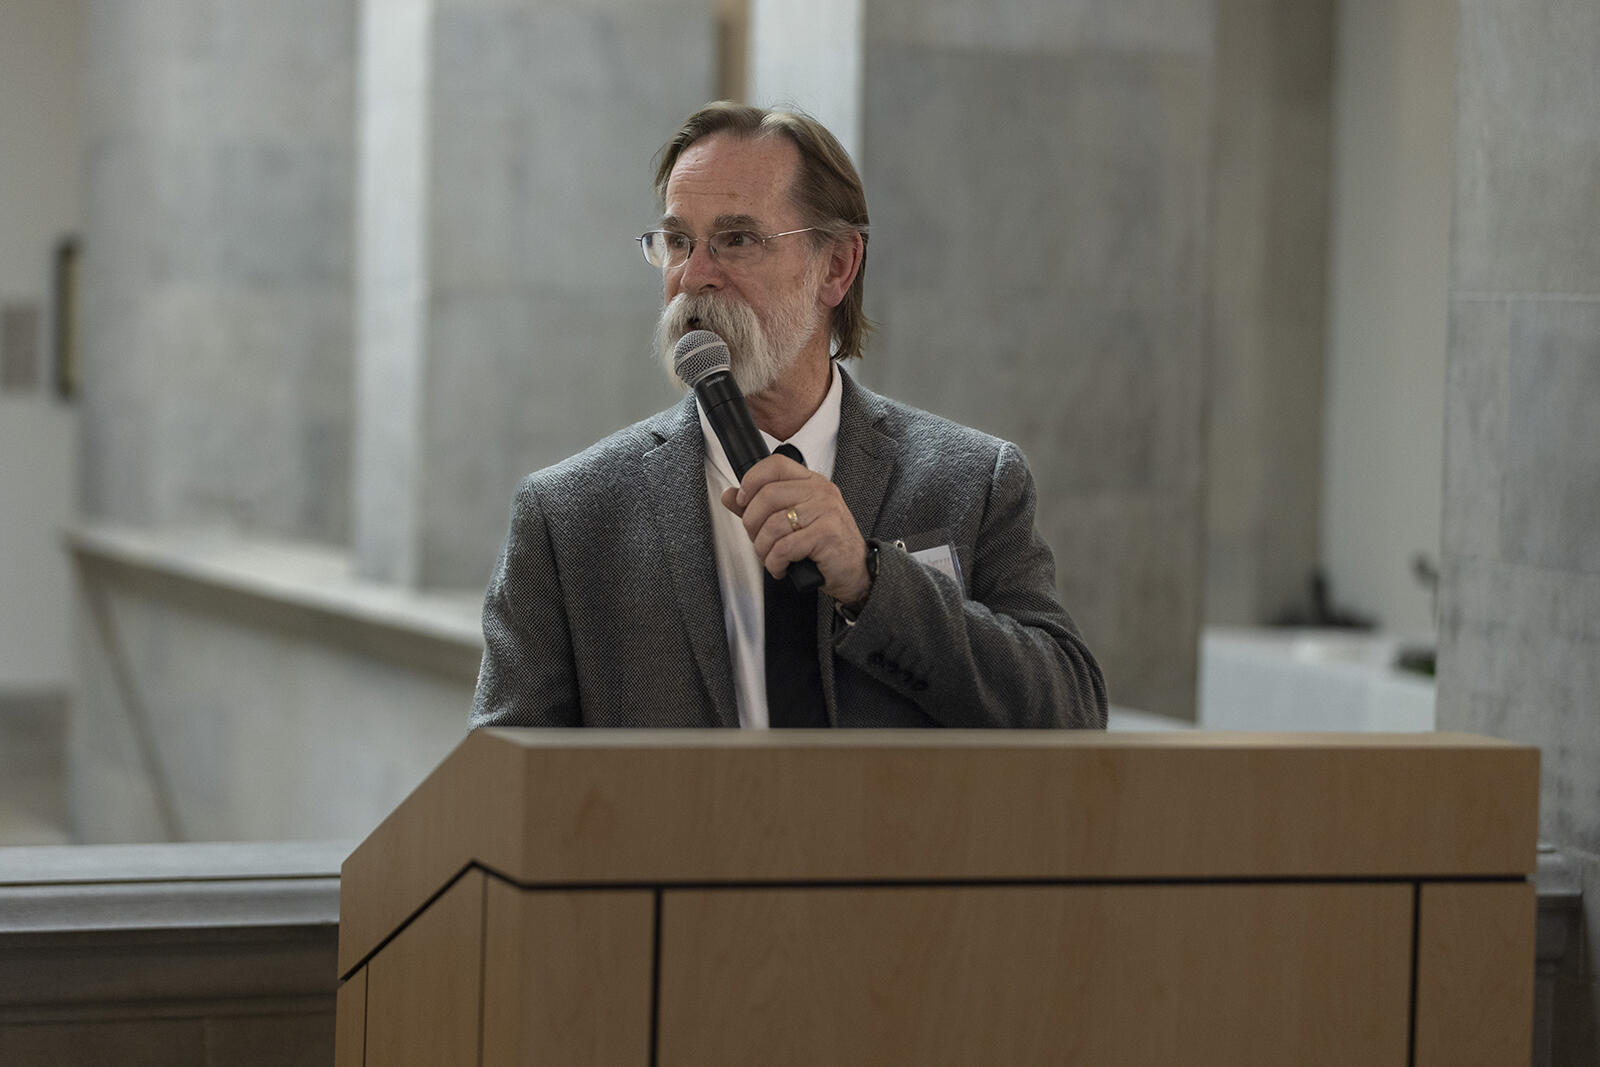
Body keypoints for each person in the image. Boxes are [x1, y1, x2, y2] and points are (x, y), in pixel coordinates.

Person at [470, 102, 1107, 730]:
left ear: (836, 266)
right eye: (677, 242)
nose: (693, 275)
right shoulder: (571, 517)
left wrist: (871, 581)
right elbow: (501, 785)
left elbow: (1070, 714)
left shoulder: (972, 482)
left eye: (737, 239)